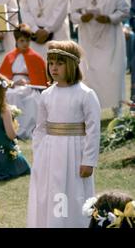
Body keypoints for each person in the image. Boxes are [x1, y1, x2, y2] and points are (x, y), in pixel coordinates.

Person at [27, 40, 101, 228]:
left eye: (59, 63)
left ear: (71, 65)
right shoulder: (46, 95)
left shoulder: (86, 94)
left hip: (75, 154)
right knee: (52, 194)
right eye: (51, 63)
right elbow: (40, 128)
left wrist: (89, 160)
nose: (54, 68)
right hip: (50, 153)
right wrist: (38, 153)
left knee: (74, 195)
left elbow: (93, 130)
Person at [70, 0, 130, 116]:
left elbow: (124, 11)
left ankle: (116, 108)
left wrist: (110, 18)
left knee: (112, 71)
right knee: (90, 73)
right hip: (88, 38)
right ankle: (90, 109)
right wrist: (82, 18)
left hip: (110, 36)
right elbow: (72, 14)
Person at [0, 72, 30, 182]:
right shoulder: (4, 110)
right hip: (4, 157)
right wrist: (14, 125)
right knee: (20, 163)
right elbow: (11, 135)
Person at [0, 24, 48, 139]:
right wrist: (13, 83)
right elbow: (3, 77)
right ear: (16, 41)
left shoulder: (35, 57)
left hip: (30, 85)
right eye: (22, 41)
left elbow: (40, 78)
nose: (25, 43)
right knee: (11, 94)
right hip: (12, 85)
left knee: (28, 98)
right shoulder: (9, 56)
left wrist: (29, 82)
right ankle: (12, 128)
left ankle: (24, 130)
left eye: (27, 41)